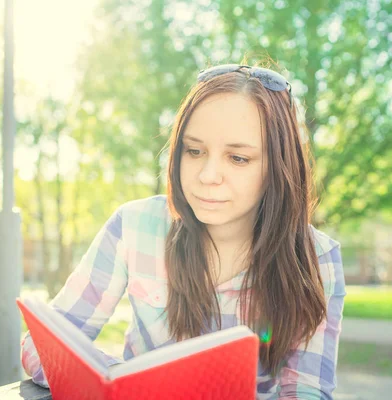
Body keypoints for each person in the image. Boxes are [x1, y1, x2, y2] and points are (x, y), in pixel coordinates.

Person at [21, 61, 346, 399]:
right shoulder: (133, 226)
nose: (207, 175)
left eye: (238, 158)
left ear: (279, 167)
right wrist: (118, 380)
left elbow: (307, 389)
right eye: (194, 151)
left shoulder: (318, 258)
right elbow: (43, 344)